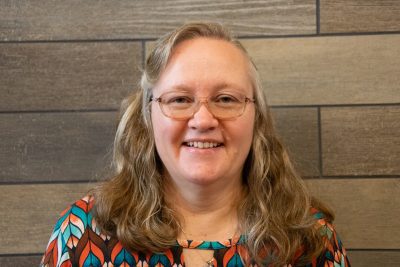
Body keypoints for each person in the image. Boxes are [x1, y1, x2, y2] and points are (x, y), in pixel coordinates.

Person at [40, 22, 350, 267]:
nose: (203, 120)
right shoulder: (80, 235)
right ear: (148, 118)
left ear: (258, 119)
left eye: (226, 99)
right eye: (179, 99)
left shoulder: (310, 240)